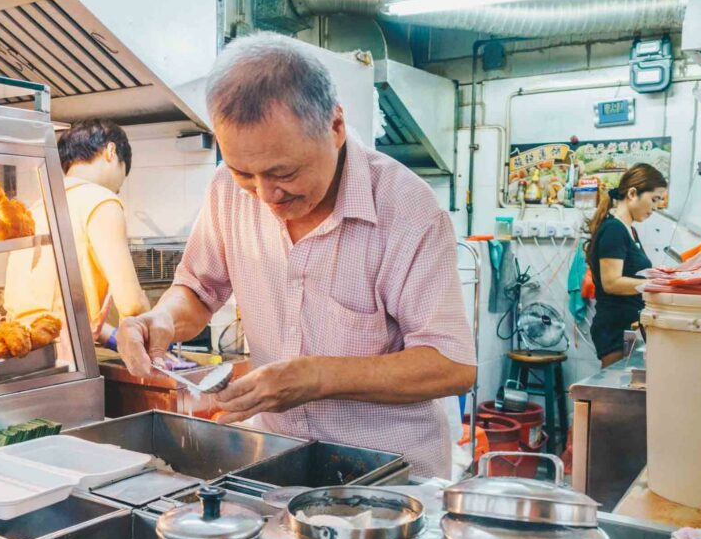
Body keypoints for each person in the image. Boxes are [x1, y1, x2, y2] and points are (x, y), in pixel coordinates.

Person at [116, 33, 476, 478]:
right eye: (244, 172)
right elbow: (197, 288)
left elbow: (452, 365)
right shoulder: (227, 192)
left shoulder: (407, 210)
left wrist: (312, 378)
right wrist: (163, 320)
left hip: (389, 476)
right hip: (278, 456)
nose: (266, 195)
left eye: (283, 172)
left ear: (336, 127)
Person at [5, 119, 149, 340]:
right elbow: (132, 305)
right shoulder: (102, 201)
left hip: (22, 345)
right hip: (68, 358)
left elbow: (58, 307)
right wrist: (155, 345)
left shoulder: (39, 206)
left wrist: (110, 336)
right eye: (123, 173)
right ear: (111, 151)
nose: (118, 187)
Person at [585, 163, 668, 367]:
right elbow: (611, 283)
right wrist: (653, 283)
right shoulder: (614, 229)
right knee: (615, 394)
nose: (655, 207)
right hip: (615, 329)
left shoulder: (629, 230)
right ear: (632, 193)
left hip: (627, 325)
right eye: (654, 199)